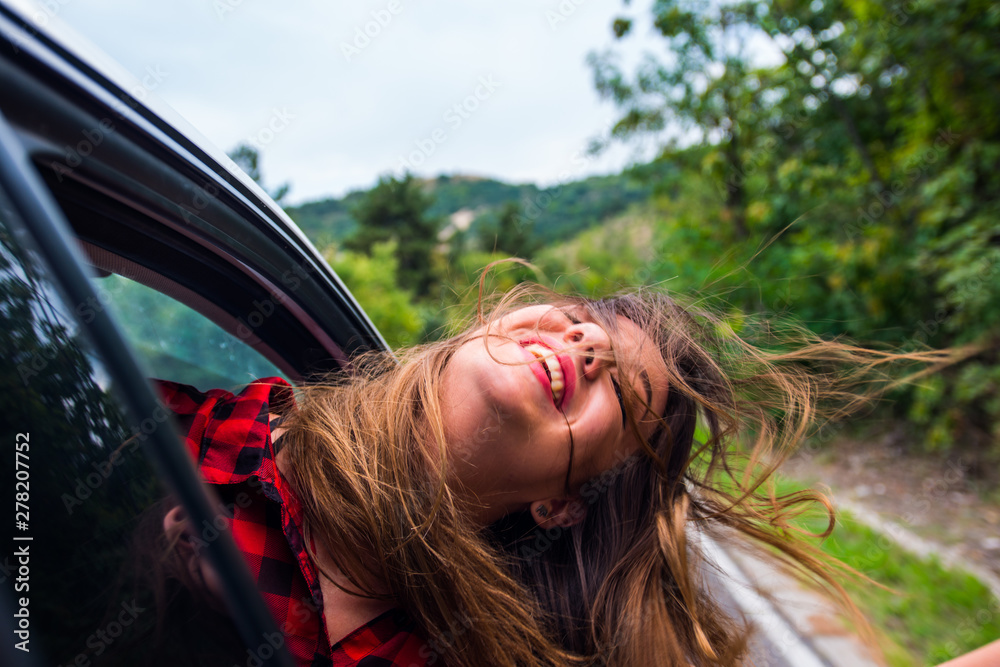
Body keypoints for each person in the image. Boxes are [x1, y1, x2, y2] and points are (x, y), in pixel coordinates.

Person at [157, 282, 998, 666]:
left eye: (624, 390)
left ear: (561, 503)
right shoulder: (184, 432)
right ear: (493, 319)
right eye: (580, 319)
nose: (587, 345)